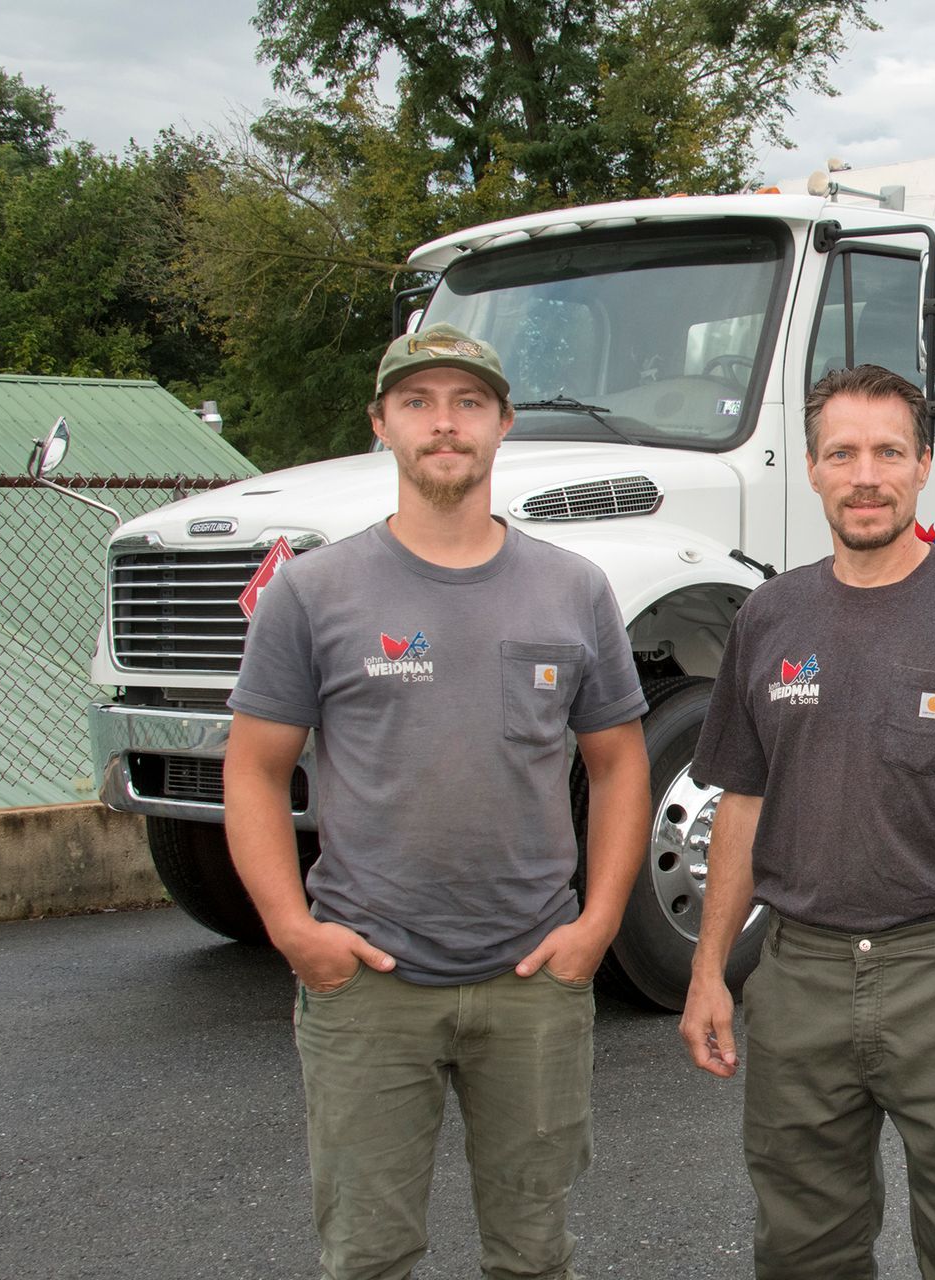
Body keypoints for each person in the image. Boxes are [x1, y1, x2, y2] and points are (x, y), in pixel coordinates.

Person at [223, 323, 652, 1280]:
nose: (443, 424)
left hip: (535, 980)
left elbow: (621, 765)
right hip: (365, 980)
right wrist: (295, 931)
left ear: (503, 425)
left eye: (467, 403)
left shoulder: (574, 590)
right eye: (418, 403)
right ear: (382, 424)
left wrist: (599, 926)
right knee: (368, 1256)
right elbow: (252, 770)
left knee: (534, 1254)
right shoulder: (313, 592)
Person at [679, 363, 935, 1278]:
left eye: (887, 453)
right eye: (843, 453)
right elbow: (740, 807)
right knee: (802, 1251)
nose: (864, 474)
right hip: (797, 979)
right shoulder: (768, 615)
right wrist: (710, 969)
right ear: (811, 467)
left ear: (923, 467)